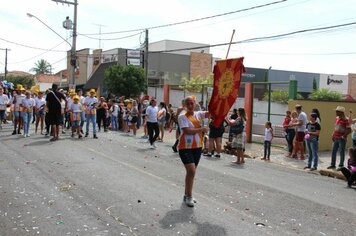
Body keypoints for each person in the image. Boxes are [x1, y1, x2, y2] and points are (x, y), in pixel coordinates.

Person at [177, 96, 209, 207]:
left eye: (192, 103)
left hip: (198, 147)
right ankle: (189, 196)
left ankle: (186, 195)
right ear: (185, 105)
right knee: (191, 171)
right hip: (185, 147)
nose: (190, 106)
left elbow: (210, 114)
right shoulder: (182, 116)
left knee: (192, 172)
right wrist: (201, 129)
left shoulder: (199, 114)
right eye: (188, 104)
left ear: (195, 104)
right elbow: (187, 131)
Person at [328, 106, 351, 170]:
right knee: (333, 151)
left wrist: (344, 136)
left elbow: (349, 129)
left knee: (341, 152)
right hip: (336, 137)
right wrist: (333, 134)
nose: (336, 112)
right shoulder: (337, 118)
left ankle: (341, 165)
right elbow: (336, 127)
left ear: (341, 112)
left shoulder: (346, 119)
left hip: (341, 139)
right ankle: (333, 164)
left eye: (337, 111)